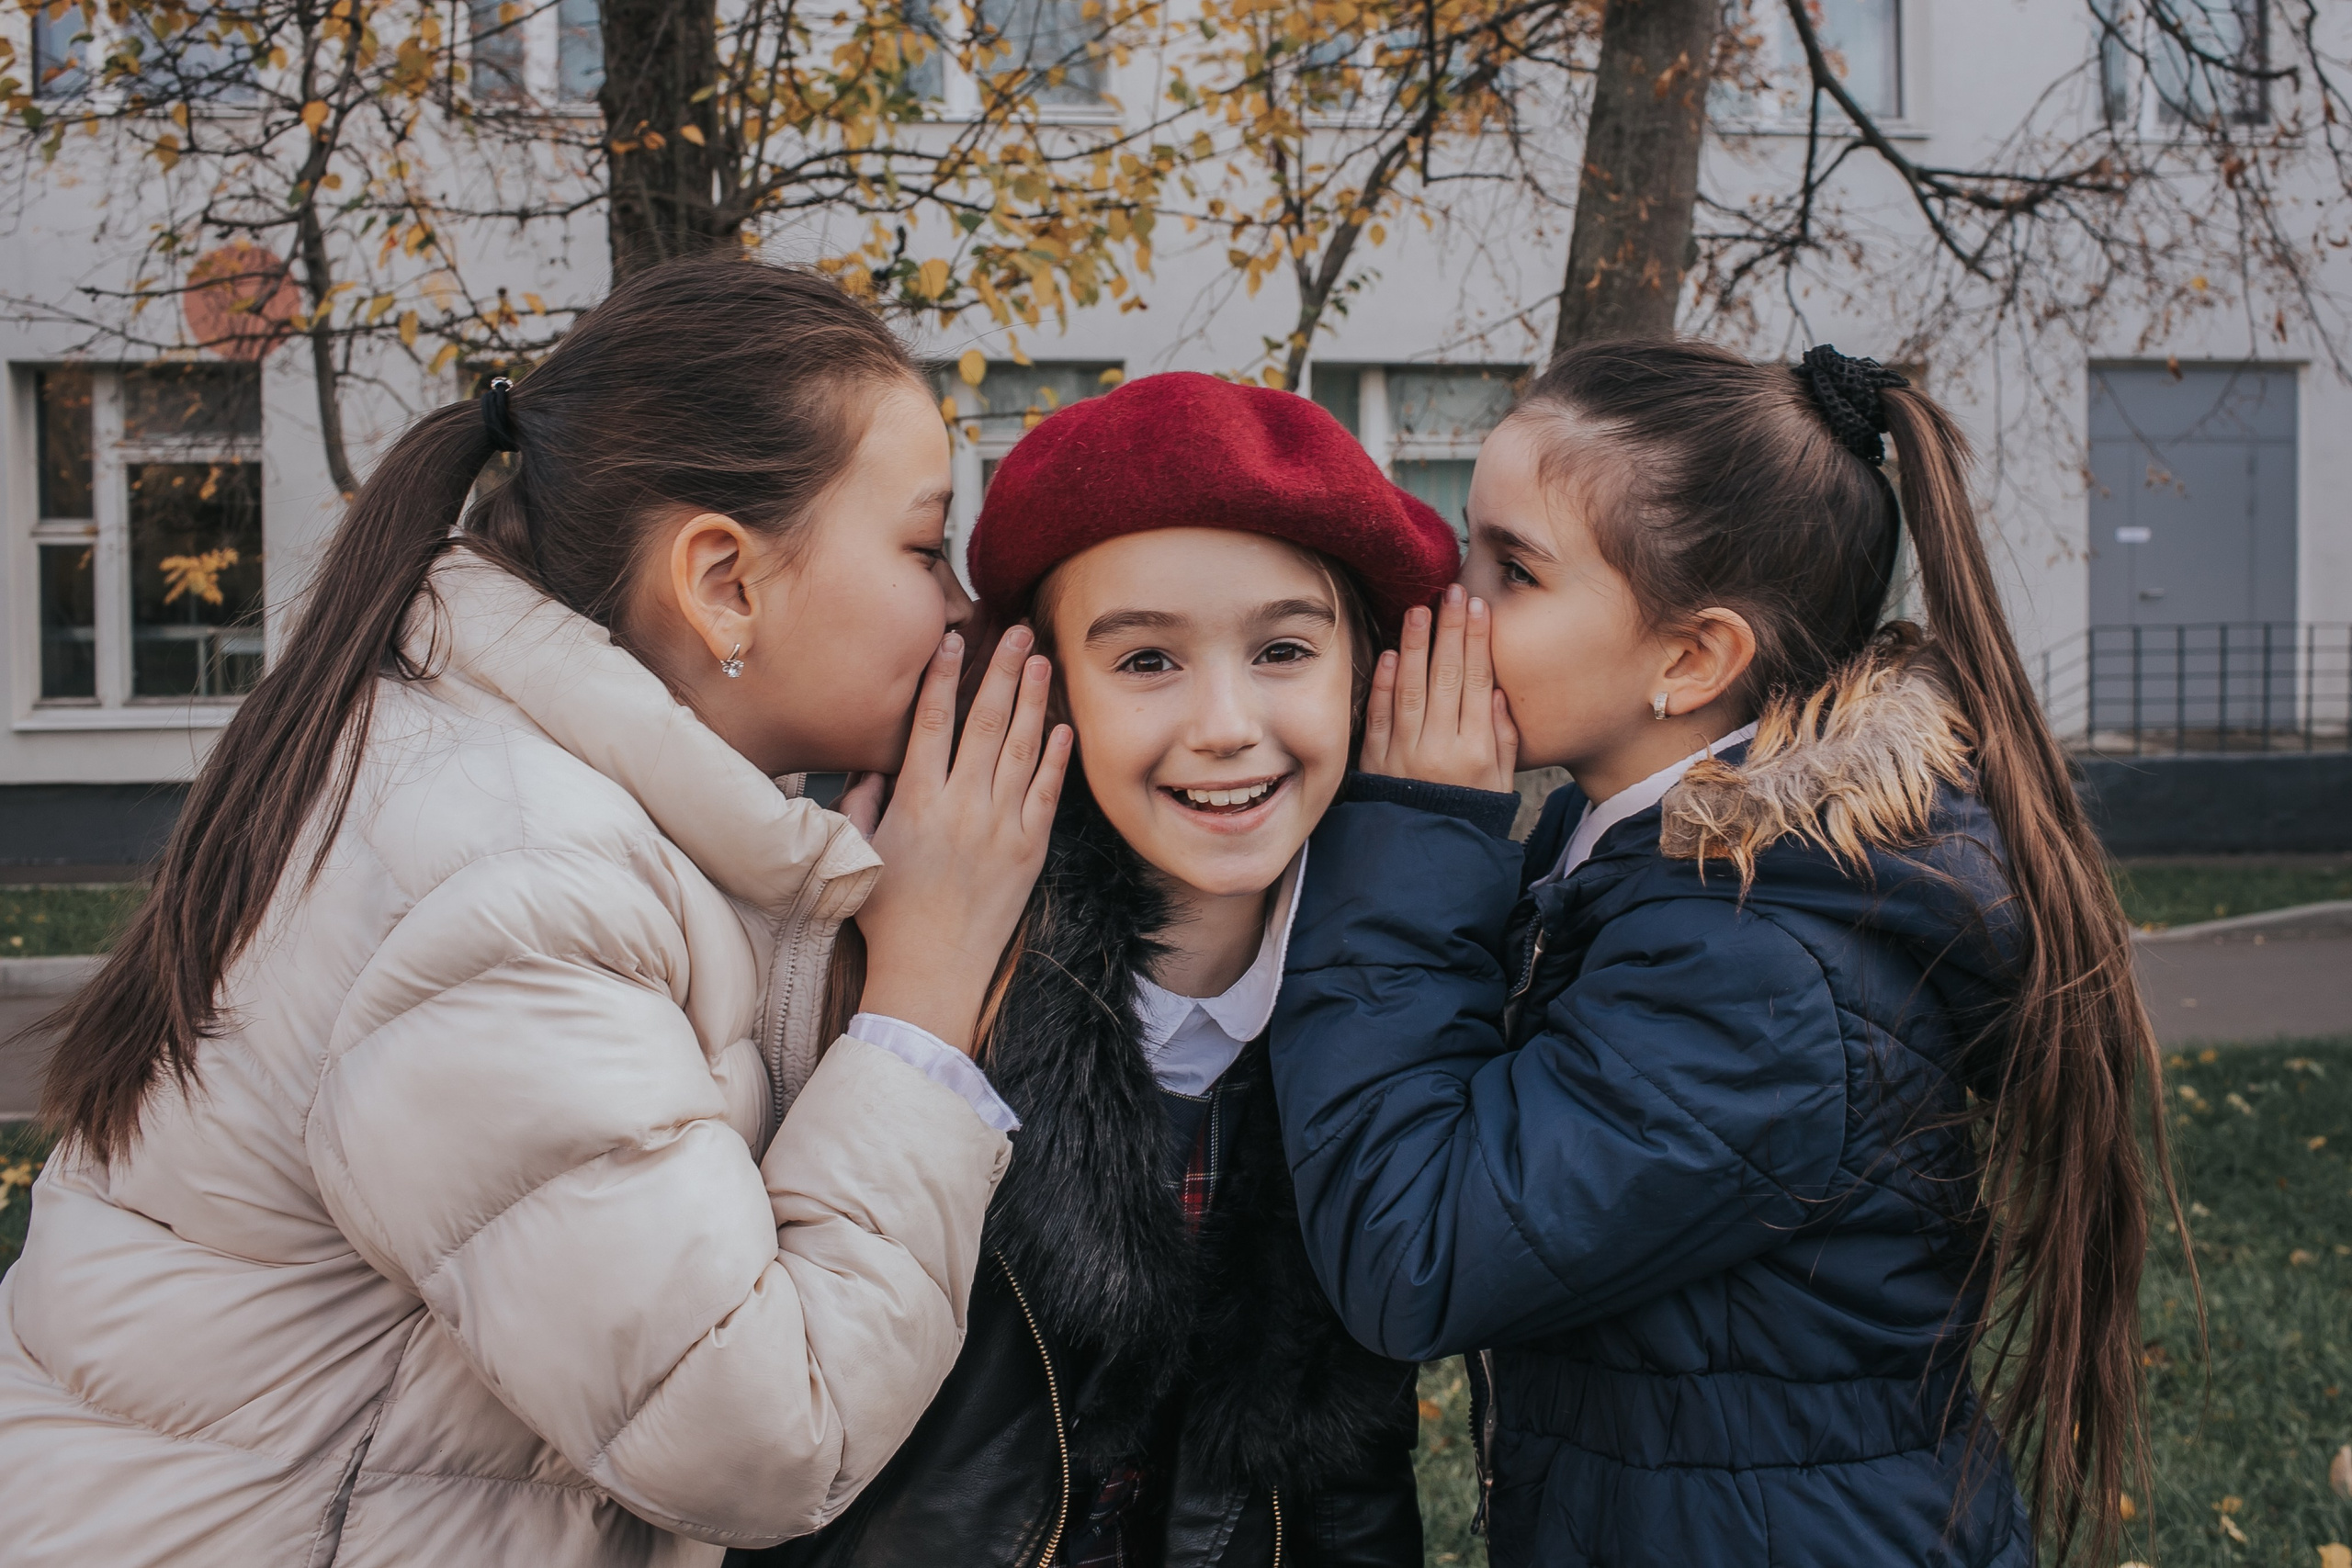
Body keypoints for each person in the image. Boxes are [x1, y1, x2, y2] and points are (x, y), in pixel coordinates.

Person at [0, 258, 1071, 1567]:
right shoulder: (513, 884)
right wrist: (925, 1001)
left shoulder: (481, 775)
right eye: (923, 548)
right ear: (724, 583)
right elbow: (757, 1433)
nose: (962, 609)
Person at [1270, 342, 2179, 1567]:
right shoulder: (1640, 866)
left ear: (1691, 660)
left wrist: (1417, 836)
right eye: (1463, 541)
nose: (1450, 598)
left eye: (1513, 570)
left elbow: (1410, 1252)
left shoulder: (1759, 967)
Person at [734, 372, 1458, 1568]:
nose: (1225, 723)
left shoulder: (1404, 984)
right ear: (1047, 687)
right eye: (1147, 661)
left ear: (1364, 672)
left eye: (1284, 649)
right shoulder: (911, 966)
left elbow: (1352, 1482)